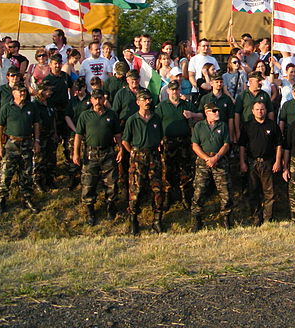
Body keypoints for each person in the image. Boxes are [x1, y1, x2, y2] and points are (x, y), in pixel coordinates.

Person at [73, 89, 122, 226]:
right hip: (90, 154)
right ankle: (90, 212)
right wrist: (75, 153)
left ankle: (110, 208)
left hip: (108, 152)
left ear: (103, 99)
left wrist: (120, 149)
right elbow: (78, 135)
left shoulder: (111, 115)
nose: (98, 101)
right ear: (92, 100)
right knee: (88, 184)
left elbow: (117, 134)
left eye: (100, 98)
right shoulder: (85, 116)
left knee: (111, 183)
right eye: (95, 98)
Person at [155, 81, 202, 209]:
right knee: (168, 170)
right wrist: (158, 140)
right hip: (168, 142)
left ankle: (186, 197)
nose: (175, 92)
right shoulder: (162, 106)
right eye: (172, 90)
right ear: (168, 91)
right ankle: (168, 197)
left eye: (177, 89)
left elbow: (202, 115)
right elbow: (156, 124)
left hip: (184, 142)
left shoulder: (186, 105)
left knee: (185, 170)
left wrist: (192, 115)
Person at [122, 90, 164, 234]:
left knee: (157, 188)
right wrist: (134, 153)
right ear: (137, 102)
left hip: (153, 155)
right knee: (136, 189)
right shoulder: (132, 120)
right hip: (137, 156)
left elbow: (160, 137)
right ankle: (133, 219)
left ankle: (157, 220)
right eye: (143, 99)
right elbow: (125, 141)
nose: (147, 102)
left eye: (149, 99)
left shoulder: (156, 118)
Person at [0, 84, 40, 215]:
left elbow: (36, 124)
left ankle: (27, 199)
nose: (22, 94)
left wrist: (36, 141)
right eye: (19, 92)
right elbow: (0, 127)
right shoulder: (7, 108)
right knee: (6, 175)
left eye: (24, 91)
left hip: (27, 143)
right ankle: (2, 201)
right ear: (13, 93)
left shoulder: (31, 107)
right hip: (11, 145)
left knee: (26, 174)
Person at [190, 102, 233, 231]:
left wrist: (216, 157)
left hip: (219, 160)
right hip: (204, 161)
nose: (217, 113)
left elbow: (226, 144)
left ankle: (226, 218)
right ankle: (197, 220)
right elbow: (195, 145)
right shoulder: (199, 126)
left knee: (225, 191)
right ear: (206, 112)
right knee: (199, 190)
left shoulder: (223, 125)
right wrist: (207, 158)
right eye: (214, 111)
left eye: (218, 110)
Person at [239, 101, 282, 225]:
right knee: (253, 191)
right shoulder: (247, 126)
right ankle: (256, 217)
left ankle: (268, 218)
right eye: (257, 109)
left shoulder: (273, 125)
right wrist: (242, 162)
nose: (260, 111)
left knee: (270, 192)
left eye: (262, 109)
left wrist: (278, 161)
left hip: (268, 162)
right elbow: (242, 146)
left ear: (266, 110)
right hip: (252, 163)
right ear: (252, 111)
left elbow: (279, 144)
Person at [234, 71, 275, 141]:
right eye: (258, 81)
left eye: (261, 81)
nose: (260, 83)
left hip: (262, 128)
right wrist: (237, 131)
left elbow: (270, 112)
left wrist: (270, 127)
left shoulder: (265, 95)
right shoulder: (242, 96)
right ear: (250, 81)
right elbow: (237, 114)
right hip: (246, 129)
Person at [31, 83, 57, 191]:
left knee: (51, 158)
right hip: (40, 136)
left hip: (50, 134)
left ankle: (50, 180)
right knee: (40, 160)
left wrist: (55, 132)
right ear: (42, 91)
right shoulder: (35, 104)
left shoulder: (50, 103)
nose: (50, 93)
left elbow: (53, 118)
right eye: (48, 91)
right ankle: (38, 181)